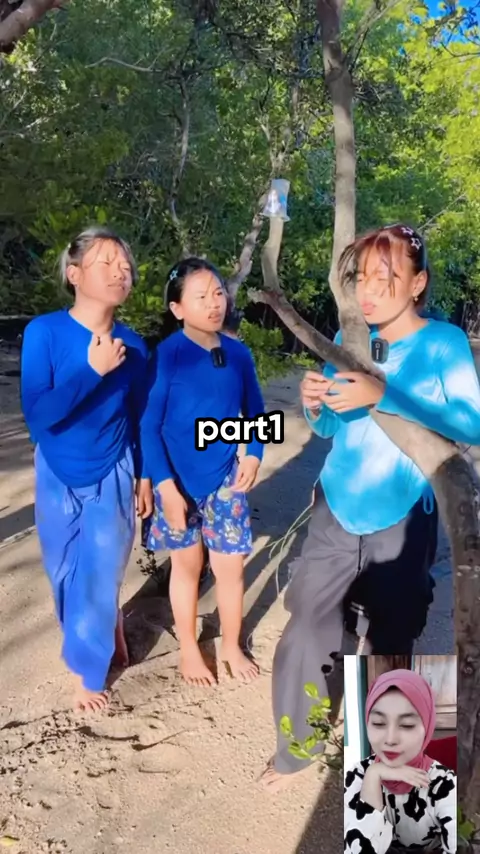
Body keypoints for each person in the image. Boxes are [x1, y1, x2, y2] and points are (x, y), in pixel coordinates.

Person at [262, 223, 480, 789]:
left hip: (405, 518)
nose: (370, 290)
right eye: (362, 277)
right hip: (336, 507)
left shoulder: (443, 343)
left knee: (391, 638)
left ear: (418, 283)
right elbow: (331, 427)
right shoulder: (348, 336)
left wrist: (384, 394)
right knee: (308, 626)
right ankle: (296, 749)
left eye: (387, 278)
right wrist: (316, 404)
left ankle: (392, 770)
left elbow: (470, 423)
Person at [21, 226, 153, 713]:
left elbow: (141, 417)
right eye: (107, 263)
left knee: (98, 574)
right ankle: (104, 626)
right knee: (63, 572)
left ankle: (89, 672)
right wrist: (91, 370)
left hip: (113, 469)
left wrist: (144, 475)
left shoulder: (134, 346)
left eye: (126, 266)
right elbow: (39, 416)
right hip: (56, 469)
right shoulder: (44, 333)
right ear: (74, 274)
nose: (121, 272)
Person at [140, 257, 265, 687]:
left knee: (231, 569)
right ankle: (190, 650)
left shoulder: (238, 354)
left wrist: (253, 454)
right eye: (201, 297)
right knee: (187, 567)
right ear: (177, 308)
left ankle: (230, 643)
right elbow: (149, 427)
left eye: (217, 293)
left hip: (225, 479)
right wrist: (165, 488)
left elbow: (256, 413)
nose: (214, 303)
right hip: (174, 482)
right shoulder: (166, 357)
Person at [344, 669, 457, 853]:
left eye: (407, 725)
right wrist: (373, 775)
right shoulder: (357, 775)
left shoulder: (443, 783)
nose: (390, 739)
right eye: (378, 723)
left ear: (428, 726)